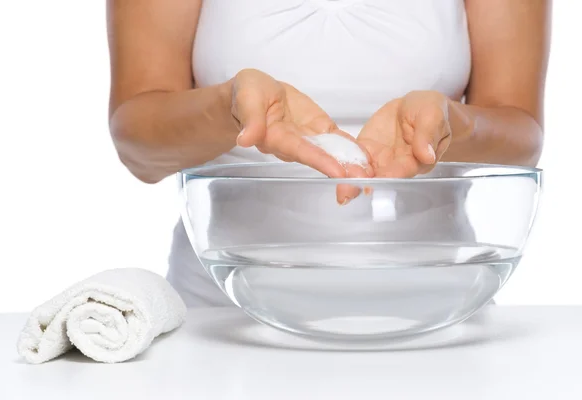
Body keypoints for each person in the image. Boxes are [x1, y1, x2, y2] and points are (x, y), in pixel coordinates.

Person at [106, 0, 551, 307]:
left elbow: (521, 138)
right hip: (222, 314)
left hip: (441, 312)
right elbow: (138, 150)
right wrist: (229, 112)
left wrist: (453, 124)